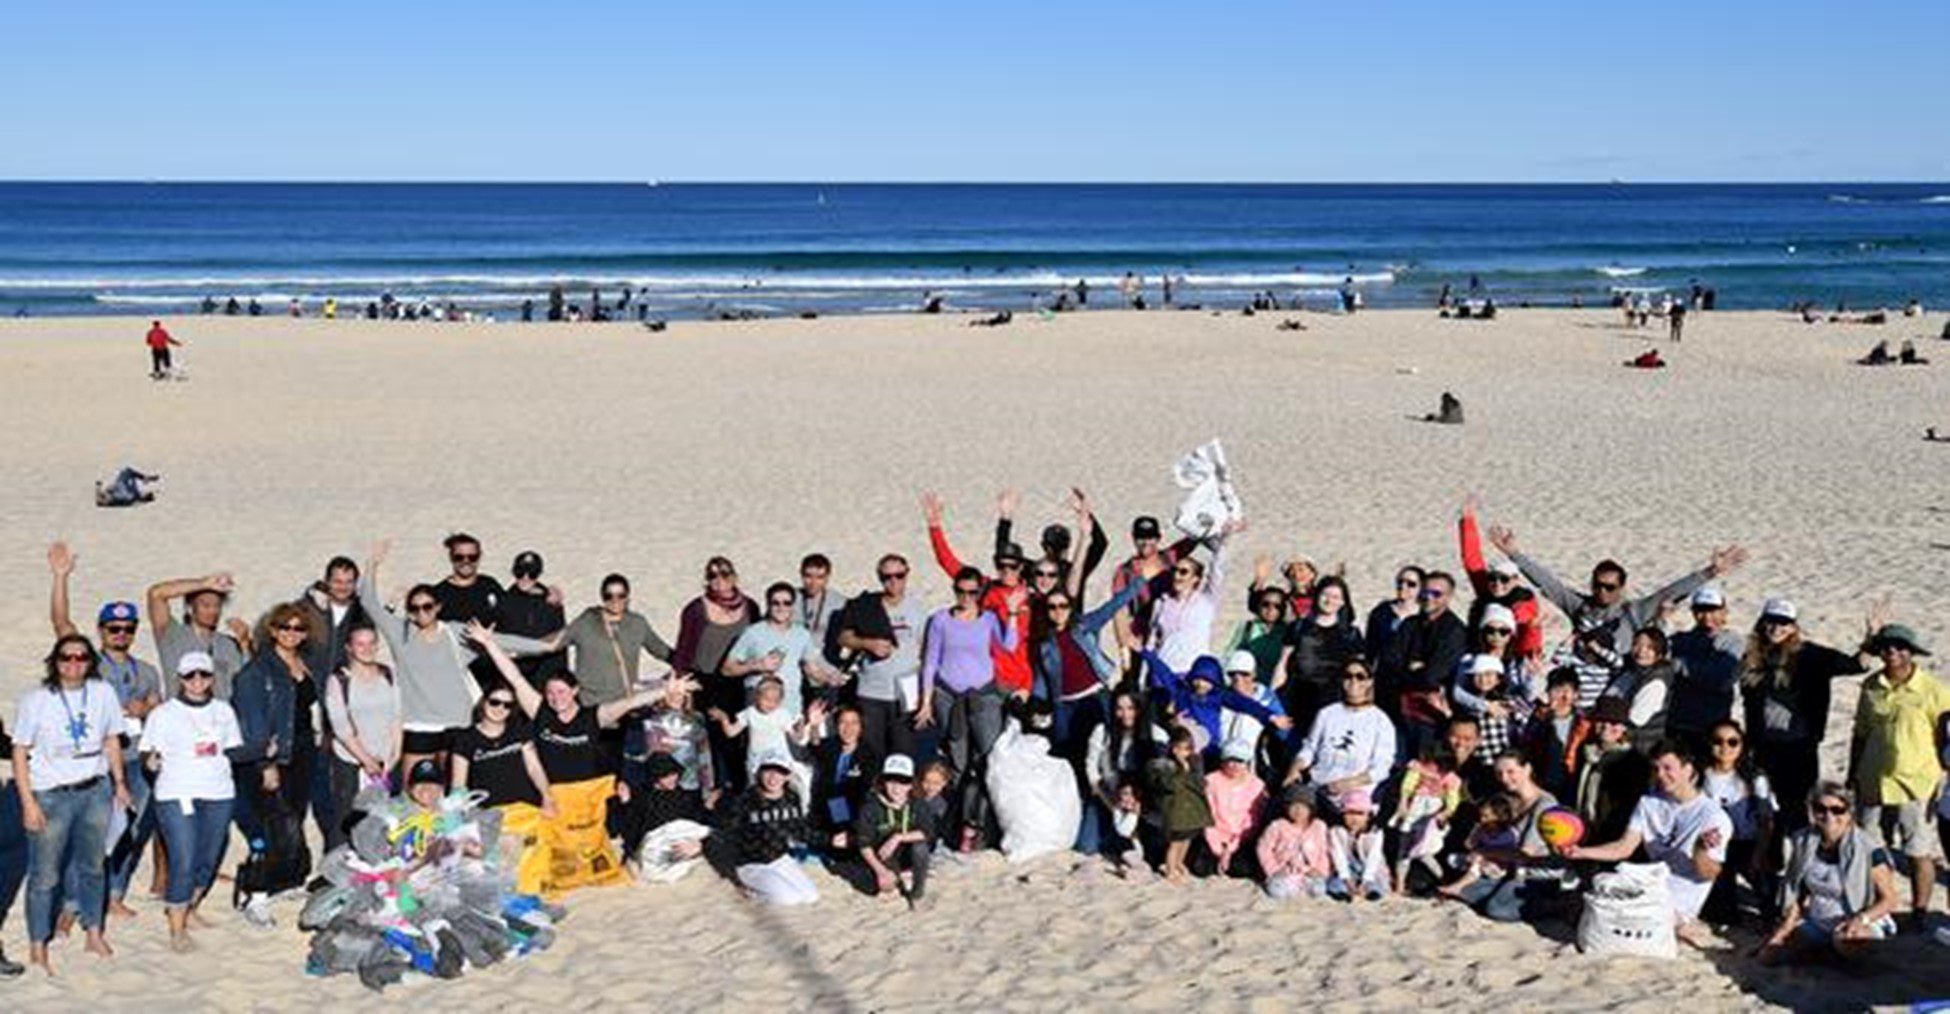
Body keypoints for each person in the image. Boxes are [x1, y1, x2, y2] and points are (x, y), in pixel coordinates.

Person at [359, 540, 550, 776]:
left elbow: (503, 640)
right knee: (414, 789)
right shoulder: (400, 632)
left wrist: (545, 646)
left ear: (438, 607)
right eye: (415, 608)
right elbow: (369, 603)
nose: (422, 612)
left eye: (428, 606)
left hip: (458, 722)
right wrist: (372, 565)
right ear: (409, 611)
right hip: (419, 723)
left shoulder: (455, 632)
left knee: (455, 789)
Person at [47, 542, 161, 918]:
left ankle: (114, 893)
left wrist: (147, 708)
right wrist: (60, 578)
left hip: (135, 760)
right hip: (95, 763)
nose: (121, 634)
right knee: (87, 834)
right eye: (114, 628)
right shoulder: (87, 662)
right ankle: (71, 903)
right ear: (101, 630)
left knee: (126, 830)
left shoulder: (145, 670)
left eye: (128, 629)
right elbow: (62, 625)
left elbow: (159, 711)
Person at [12, 634, 133, 974]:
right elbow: (20, 752)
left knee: (93, 866)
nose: (74, 663)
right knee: (45, 875)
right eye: (66, 658)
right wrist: (28, 803)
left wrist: (120, 783)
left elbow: (111, 739)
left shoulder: (103, 693)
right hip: (51, 794)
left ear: (90, 661)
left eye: (81, 657)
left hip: (95, 790)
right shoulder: (36, 700)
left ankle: (93, 931)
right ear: (55, 661)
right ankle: (39, 944)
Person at [1487, 523, 1747, 657]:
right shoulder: (1580, 606)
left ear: (1621, 588)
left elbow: (1670, 592)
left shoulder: (1634, 611)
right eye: (1597, 585)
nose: (1602, 591)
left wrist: (1710, 572)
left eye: (1610, 586)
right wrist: (1514, 555)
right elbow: (1548, 582)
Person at [1565, 739, 1732, 946]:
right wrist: (1581, 852)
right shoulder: (1648, 803)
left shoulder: (1712, 816)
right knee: (1589, 906)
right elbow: (1623, 847)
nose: (1661, 775)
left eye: (1668, 768)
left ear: (1688, 770)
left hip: (1679, 897)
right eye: (1656, 769)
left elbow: (1709, 873)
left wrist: (1700, 850)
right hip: (1647, 883)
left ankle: (1688, 927)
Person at [1739, 597, 1874, 836]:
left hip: (1798, 747)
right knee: (1765, 810)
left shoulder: (1811, 656)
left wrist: (1870, 637)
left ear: (1793, 627)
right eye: (1771, 621)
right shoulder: (1752, 658)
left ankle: (1800, 865)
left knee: (1799, 810)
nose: (1776, 628)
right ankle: (1772, 864)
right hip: (1762, 745)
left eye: (1783, 623)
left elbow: (1857, 665)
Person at [919, 567, 1027, 848]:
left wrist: (1013, 614)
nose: (966, 597)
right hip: (947, 697)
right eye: (961, 591)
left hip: (982, 696)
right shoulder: (940, 619)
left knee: (987, 761)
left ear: (980, 593)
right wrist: (925, 701)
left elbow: (1009, 644)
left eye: (972, 592)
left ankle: (983, 827)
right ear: (954, 590)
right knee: (957, 763)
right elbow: (930, 661)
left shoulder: (988, 619)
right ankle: (953, 828)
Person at [139, 652, 241, 952]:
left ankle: (190, 906)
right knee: (183, 858)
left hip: (219, 792)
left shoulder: (223, 711)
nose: (197, 681)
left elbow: (233, 750)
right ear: (180, 679)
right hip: (176, 791)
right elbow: (147, 751)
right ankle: (177, 927)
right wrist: (152, 761)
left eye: (204, 675)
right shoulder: (164, 713)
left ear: (212, 678)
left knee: (209, 857)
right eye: (190, 676)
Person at [1847, 623, 1946, 924]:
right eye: (1886, 647)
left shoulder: (1933, 689)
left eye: (1900, 647)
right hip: (1872, 778)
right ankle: (1881, 903)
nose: (1892, 652)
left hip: (1916, 783)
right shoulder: (1871, 686)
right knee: (1871, 847)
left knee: (1917, 850)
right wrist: (1853, 772)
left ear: (1911, 652)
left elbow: (1946, 736)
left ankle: (1919, 911)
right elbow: (1860, 733)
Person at [1759, 782, 1902, 965]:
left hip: (1859, 917)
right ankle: (1825, 951)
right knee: (1770, 957)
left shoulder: (1869, 849)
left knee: (1847, 943)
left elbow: (1889, 899)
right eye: (1821, 809)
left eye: (1837, 810)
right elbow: (1796, 891)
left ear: (1850, 813)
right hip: (1819, 918)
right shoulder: (1803, 841)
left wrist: (1860, 919)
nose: (1828, 816)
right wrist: (1785, 928)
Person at [921, 491, 1035, 697]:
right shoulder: (985, 587)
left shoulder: (1033, 595)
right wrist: (934, 526)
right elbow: (949, 563)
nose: (1006, 570)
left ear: (1021, 568)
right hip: (990, 679)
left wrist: (1006, 520)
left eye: (1013, 566)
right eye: (1001, 566)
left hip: (1024, 678)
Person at [228, 603, 314, 857]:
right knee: (273, 817)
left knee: (296, 813)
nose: (291, 632)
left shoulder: (306, 664)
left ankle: (287, 872)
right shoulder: (259, 670)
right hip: (278, 750)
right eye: (284, 627)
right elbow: (253, 721)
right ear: (273, 631)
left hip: (304, 747)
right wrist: (266, 764)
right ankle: (267, 875)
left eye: (298, 628)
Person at [1450, 751, 1573, 923]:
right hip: (1510, 869)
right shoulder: (1510, 799)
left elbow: (1526, 853)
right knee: (1466, 888)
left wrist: (1484, 852)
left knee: (1497, 909)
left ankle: (1555, 903)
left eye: (1510, 772)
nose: (1504, 778)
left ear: (1527, 769)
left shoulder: (1544, 805)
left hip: (1536, 873)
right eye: (1499, 773)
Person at [675, 557, 760, 791]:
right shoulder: (695, 609)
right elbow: (683, 652)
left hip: (740, 680)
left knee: (740, 737)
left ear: (734, 576)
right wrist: (682, 686)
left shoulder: (750, 607)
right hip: (707, 682)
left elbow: (758, 641)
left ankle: (740, 787)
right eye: (713, 575)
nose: (719, 580)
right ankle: (716, 789)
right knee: (712, 739)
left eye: (724, 574)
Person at [836, 554, 928, 761]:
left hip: (906, 694)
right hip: (871, 693)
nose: (893, 581)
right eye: (887, 576)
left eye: (899, 575)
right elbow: (843, 637)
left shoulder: (918, 609)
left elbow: (927, 650)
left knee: (903, 754)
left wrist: (925, 695)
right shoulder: (865, 606)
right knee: (872, 754)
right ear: (879, 577)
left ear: (907, 575)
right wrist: (867, 644)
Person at [716, 749, 830, 906]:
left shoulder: (791, 797)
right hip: (752, 864)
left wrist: (830, 840)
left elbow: (799, 831)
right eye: (768, 771)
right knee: (790, 899)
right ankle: (750, 893)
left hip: (780, 858)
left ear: (787, 776)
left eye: (780, 772)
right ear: (759, 772)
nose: (773, 777)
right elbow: (727, 831)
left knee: (811, 896)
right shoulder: (745, 800)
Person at [543, 573, 676, 708]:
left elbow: (661, 650)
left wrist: (689, 665)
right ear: (602, 597)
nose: (615, 600)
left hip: (623, 705)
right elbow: (553, 642)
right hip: (590, 704)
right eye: (609, 596)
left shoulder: (637, 624)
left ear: (627, 597)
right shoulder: (587, 621)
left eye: (620, 595)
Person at [1283, 660, 1397, 815]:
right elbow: (1309, 748)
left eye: (1360, 677)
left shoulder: (1381, 721)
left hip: (1354, 795)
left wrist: (1347, 784)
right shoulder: (1327, 713)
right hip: (1318, 787)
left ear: (1369, 682)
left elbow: (1381, 768)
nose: (1353, 681)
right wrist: (1294, 768)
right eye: (1348, 676)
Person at [320, 626, 402, 828]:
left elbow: (397, 716)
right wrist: (367, 761)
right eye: (360, 644)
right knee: (349, 820)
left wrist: (396, 754)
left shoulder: (388, 674)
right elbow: (341, 728)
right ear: (349, 647)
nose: (367, 648)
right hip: (352, 762)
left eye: (371, 643)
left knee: (387, 821)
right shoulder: (338, 681)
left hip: (387, 761)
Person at [1380, 570, 1468, 754]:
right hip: (1398, 706)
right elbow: (1388, 662)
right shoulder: (1409, 624)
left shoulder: (1454, 631)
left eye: (1436, 594)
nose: (1429, 598)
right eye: (1425, 592)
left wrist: (1409, 669)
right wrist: (1414, 669)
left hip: (1430, 713)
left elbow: (1433, 676)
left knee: (1423, 764)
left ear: (1448, 597)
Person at [1700, 719, 1776, 927]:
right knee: (1722, 911)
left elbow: (1766, 819)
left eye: (1733, 742)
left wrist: (1760, 853)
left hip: (1747, 842)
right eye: (1718, 741)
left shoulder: (1754, 778)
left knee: (1768, 895)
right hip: (1714, 845)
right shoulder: (1699, 776)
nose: (1725, 747)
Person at [725, 583, 839, 719]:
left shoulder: (802, 634)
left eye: (787, 603)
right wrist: (757, 666)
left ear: (793, 606)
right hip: (759, 711)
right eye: (775, 603)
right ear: (768, 604)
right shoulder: (753, 632)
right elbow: (727, 669)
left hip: (791, 708)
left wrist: (830, 679)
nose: (781, 607)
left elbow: (811, 668)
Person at [836, 754, 935, 908]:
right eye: (891, 781)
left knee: (920, 847)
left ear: (911, 784)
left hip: (907, 854)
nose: (896, 788)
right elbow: (864, 843)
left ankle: (917, 889)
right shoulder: (871, 806)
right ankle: (897, 877)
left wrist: (897, 837)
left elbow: (928, 832)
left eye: (903, 782)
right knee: (875, 887)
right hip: (883, 856)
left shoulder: (917, 803)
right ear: (883, 782)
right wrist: (880, 871)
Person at [1147, 519, 1242, 674]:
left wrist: (1224, 540)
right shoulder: (1161, 602)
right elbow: (1153, 639)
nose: (1177, 575)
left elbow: (1217, 571)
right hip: (1163, 672)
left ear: (1196, 578)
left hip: (1192, 672)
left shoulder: (1207, 601)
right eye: (1175, 571)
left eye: (1184, 572)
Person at [1274, 575, 1364, 736]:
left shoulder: (1351, 634)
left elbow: (1359, 672)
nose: (1329, 600)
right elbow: (1282, 663)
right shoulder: (1298, 627)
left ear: (1343, 602)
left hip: (1335, 698)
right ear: (1316, 597)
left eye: (1335, 597)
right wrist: (1272, 697)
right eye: (1325, 595)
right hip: (1298, 696)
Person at [1082, 689, 1165, 859]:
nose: (1125, 714)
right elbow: (1091, 769)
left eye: (1131, 708)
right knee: (1087, 845)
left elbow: (1161, 775)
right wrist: (1111, 803)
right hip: (1107, 795)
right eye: (1120, 708)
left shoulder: (1156, 733)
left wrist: (1139, 804)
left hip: (1142, 799)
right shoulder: (1103, 732)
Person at [1457, 499, 1543, 659]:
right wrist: (1467, 521)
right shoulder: (1487, 592)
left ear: (1516, 580)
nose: (1497, 584)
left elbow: (1529, 637)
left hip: (1511, 659)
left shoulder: (1523, 603)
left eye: (1504, 579)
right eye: (1493, 578)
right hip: (1481, 653)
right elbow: (1472, 559)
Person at [449, 686, 555, 815]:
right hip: (489, 815)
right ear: (483, 702)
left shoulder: (519, 731)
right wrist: (457, 815)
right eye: (494, 702)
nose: (500, 708)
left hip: (527, 808)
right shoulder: (465, 739)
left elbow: (534, 768)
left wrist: (547, 797)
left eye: (507, 705)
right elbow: (459, 785)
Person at [146, 571, 250, 699]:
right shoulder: (172, 635)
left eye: (217, 606)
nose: (212, 611)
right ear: (190, 607)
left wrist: (245, 643)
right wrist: (203, 583)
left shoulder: (228, 644)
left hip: (219, 715)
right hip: (181, 715)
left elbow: (244, 683)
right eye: (206, 605)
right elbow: (156, 594)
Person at [1668, 586, 1745, 750]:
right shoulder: (1681, 639)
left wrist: (1680, 665)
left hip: (1711, 726)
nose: (1707, 616)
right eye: (1701, 610)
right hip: (1676, 722)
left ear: (1724, 612)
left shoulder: (1733, 642)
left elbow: (1720, 678)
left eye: (1713, 610)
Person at [1572, 697, 1649, 845]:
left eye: (1614, 723)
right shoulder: (1585, 751)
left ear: (1624, 727)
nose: (1606, 727)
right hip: (1582, 828)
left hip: (1612, 835)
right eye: (1601, 721)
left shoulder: (1633, 761)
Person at [1147, 726, 1211, 884]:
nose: (1182, 753)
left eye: (1186, 749)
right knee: (1175, 843)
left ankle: (1178, 863)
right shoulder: (1164, 765)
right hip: (1175, 811)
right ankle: (1170, 870)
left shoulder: (1195, 762)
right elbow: (1169, 786)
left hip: (1192, 810)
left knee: (1187, 840)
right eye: (1178, 748)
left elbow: (1201, 784)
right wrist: (1182, 770)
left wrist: (1189, 770)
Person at [1600, 627, 1678, 750]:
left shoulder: (1656, 682)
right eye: (1636, 645)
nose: (1641, 651)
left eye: (1649, 648)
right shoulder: (1632, 670)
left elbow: (1636, 719)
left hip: (1638, 745)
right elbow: (1610, 694)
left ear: (1659, 653)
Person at [496, 551, 567, 684]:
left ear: (539, 574)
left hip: (544, 679)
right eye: (520, 572)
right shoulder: (503, 601)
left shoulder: (551, 602)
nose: (525, 578)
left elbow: (559, 642)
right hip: (511, 677)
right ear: (513, 572)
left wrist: (559, 681)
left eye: (532, 574)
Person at [1202, 739, 1267, 877]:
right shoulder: (1211, 781)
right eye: (1229, 760)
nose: (1233, 765)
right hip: (1215, 835)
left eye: (1239, 761)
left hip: (1242, 838)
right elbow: (1208, 815)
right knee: (1201, 868)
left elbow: (1253, 820)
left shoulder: (1256, 784)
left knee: (1243, 869)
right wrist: (1219, 848)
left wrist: (1230, 848)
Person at [1258, 782, 1332, 899]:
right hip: (1284, 871)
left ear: (1310, 809)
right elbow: (1263, 848)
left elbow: (1324, 850)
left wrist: (1320, 870)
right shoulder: (1277, 826)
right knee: (1277, 892)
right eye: (1293, 806)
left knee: (1318, 891)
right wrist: (1273, 868)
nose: (1298, 810)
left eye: (1303, 806)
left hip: (1308, 872)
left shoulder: (1318, 826)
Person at [1327, 789, 1389, 901]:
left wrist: (1366, 881)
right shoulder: (1336, 831)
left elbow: (1374, 858)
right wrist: (1347, 880)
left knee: (1376, 887)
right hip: (1348, 867)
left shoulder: (1375, 833)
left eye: (1360, 814)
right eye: (1350, 813)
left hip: (1371, 868)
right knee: (1336, 885)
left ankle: (1369, 892)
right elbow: (1338, 856)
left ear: (1368, 816)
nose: (1354, 818)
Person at [1364, 565, 1425, 664]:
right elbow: (1370, 647)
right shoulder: (1381, 612)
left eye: (1411, 584)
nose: (1403, 586)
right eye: (1400, 582)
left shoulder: (1425, 616)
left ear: (1421, 588)